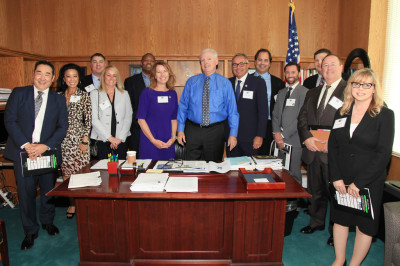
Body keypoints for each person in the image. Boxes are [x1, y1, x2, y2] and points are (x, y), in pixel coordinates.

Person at [328, 68, 394, 266]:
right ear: (351, 87)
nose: (361, 88)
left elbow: (383, 154)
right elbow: (333, 147)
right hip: (342, 178)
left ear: (374, 89)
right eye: (356, 84)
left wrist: (359, 183)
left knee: (364, 226)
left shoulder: (385, 115)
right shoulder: (342, 112)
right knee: (340, 220)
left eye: (367, 85)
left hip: (368, 182)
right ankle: (339, 260)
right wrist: (336, 177)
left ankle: (355, 264)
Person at [4, 61, 68, 250]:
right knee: (26, 194)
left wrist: (44, 146)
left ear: (53, 78)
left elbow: (62, 127)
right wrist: (27, 145)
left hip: (47, 153)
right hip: (23, 153)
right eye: (39, 73)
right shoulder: (19, 93)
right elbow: (10, 120)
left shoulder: (58, 99)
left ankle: (47, 222)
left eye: (47, 74)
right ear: (33, 75)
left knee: (48, 191)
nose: (42, 77)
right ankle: (30, 231)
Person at [297, 54, 347, 246]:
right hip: (312, 149)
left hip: (333, 152)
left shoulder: (349, 91)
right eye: (324, 65)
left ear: (341, 67)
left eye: (332, 64)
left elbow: (349, 123)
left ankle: (336, 232)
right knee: (315, 189)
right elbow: (302, 119)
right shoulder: (312, 92)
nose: (328, 68)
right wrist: (307, 138)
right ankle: (316, 222)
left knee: (334, 193)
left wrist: (332, 143)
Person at [177, 48, 239, 162]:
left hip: (215, 132)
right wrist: (180, 130)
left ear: (216, 61)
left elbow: (232, 111)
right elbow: (183, 107)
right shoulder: (191, 82)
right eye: (202, 60)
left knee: (213, 167)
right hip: (193, 130)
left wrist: (233, 134)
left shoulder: (225, 83)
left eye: (209, 59)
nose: (205, 62)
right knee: (192, 167)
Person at [56, 63, 92, 219]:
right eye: (68, 76)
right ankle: (72, 204)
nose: (72, 79)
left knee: (82, 174)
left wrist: (84, 140)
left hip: (79, 140)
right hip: (62, 141)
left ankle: (84, 205)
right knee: (66, 175)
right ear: (63, 79)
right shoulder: (57, 96)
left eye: (75, 76)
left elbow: (88, 120)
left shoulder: (84, 95)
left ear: (79, 78)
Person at [272, 62, 308, 184]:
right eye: (287, 72)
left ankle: (295, 202)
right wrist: (277, 134)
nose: (290, 75)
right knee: (279, 172)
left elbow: (300, 118)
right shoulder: (282, 92)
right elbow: (275, 115)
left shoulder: (305, 92)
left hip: (294, 140)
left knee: (294, 173)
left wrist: (282, 135)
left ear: (298, 73)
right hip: (278, 140)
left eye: (293, 72)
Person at [227, 53, 268, 156]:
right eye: (235, 64)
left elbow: (263, 111)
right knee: (232, 169)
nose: (238, 67)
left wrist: (260, 135)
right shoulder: (228, 83)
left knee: (250, 170)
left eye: (241, 64)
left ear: (248, 65)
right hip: (231, 137)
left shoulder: (258, 82)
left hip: (251, 139)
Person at [137, 61, 178, 160]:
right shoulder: (147, 93)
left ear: (169, 74)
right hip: (150, 141)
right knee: (149, 172)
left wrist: (173, 138)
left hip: (168, 142)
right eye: (158, 72)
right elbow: (140, 119)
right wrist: (153, 140)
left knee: (168, 171)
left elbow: (174, 119)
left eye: (165, 71)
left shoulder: (173, 94)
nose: (162, 74)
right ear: (154, 75)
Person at [90, 65, 133, 160]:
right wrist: (110, 138)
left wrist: (119, 139)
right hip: (102, 139)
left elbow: (128, 117)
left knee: (120, 168)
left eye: (114, 75)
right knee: (103, 169)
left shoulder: (124, 94)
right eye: (108, 75)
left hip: (121, 140)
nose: (111, 78)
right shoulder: (95, 94)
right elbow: (94, 119)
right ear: (103, 77)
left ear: (117, 78)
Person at [252, 48, 285, 155]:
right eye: (260, 60)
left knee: (266, 160)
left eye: (266, 60)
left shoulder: (279, 83)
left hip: (269, 127)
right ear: (255, 61)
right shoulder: (247, 80)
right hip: (250, 126)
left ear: (270, 63)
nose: (262, 63)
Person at [124, 53, 156, 156]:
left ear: (154, 63)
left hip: (156, 127)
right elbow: (128, 106)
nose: (149, 62)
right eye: (146, 60)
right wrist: (137, 122)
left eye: (151, 60)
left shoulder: (160, 81)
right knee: (138, 160)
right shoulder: (130, 82)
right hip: (137, 129)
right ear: (141, 63)